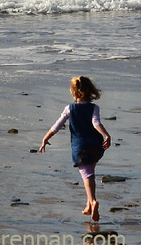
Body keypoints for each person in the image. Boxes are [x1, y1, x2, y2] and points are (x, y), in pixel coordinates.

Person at [39, 75, 111, 222]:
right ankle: (88, 204)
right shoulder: (94, 108)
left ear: (73, 92)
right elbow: (96, 122)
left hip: (80, 147)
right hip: (96, 145)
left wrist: (46, 138)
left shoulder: (70, 109)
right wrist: (106, 135)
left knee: (87, 175)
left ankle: (93, 201)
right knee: (90, 173)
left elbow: (57, 125)